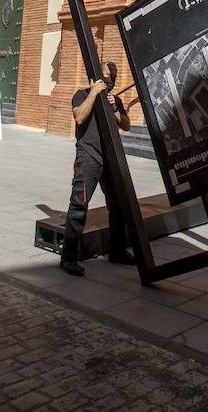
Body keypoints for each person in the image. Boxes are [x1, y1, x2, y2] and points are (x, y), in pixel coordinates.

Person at [59, 61, 135, 276]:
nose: (110, 79)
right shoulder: (81, 95)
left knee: (118, 205)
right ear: (95, 76)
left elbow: (126, 125)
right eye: (106, 75)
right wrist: (94, 93)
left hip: (110, 159)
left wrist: (114, 109)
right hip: (88, 158)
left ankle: (117, 251)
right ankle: (69, 258)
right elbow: (79, 116)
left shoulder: (116, 100)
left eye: (113, 76)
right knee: (79, 206)